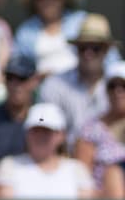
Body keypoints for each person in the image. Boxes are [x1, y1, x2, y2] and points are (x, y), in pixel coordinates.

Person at [39, 13, 116, 142]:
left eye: (95, 48)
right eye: (83, 47)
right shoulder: (55, 84)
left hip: (112, 157)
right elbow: (43, 125)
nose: (88, 53)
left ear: (106, 50)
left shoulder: (119, 85)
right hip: (67, 157)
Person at [0, 103, 95, 199]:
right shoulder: (9, 165)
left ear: (61, 135)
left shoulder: (77, 169)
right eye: (36, 130)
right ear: (26, 133)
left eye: (47, 131)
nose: (40, 136)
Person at [12, 0, 87, 77]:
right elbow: (17, 67)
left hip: (80, 87)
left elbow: (108, 60)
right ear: (34, 0)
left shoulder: (81, 21)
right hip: (41, 90)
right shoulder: (25, 31)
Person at [72, 63, 125, 200]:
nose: (118, 92)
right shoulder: (92, 129)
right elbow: (82, 178)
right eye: (112, 86)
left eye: (123, 86)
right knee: (113, 174)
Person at [0, 53, 40, 165]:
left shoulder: (43, 119)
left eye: (22, 78)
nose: (15, 85)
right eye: (10, 78)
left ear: (35, 81)